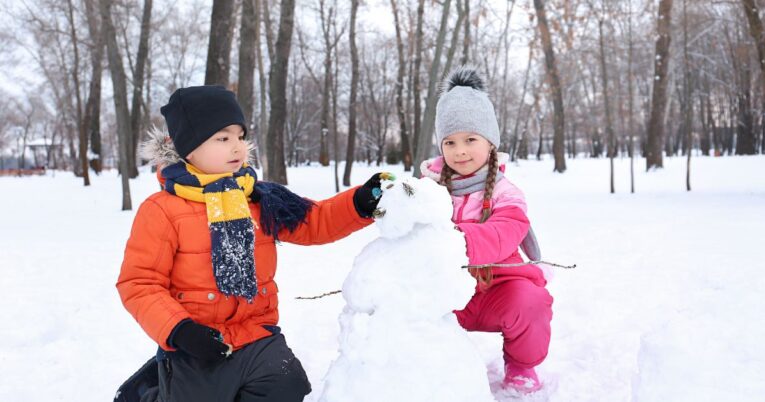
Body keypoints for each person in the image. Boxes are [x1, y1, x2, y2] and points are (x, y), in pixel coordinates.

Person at [116, 85, 390, 402]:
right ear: (189, 149)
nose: (237, 147)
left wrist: (360, 202)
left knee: (287, 385)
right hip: (196, 343)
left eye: (239, 136)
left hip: (257, 335)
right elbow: (139, 282)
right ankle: (151, 392)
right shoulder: (163, 209)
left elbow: (314, 222)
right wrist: (180, 331)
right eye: (223, 138)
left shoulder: (260, 198)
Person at [421, 67, 553, 394]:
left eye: (470, 139)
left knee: (531, 300)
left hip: (499, 290)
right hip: (449, 294)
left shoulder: (508, 193)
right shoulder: (427, 190)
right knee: (404, 302)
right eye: (449, 142)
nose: (460, 151)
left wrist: (457, 242)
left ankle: (521, 366)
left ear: (490, 142)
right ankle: (427, 366)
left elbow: (505, 230)